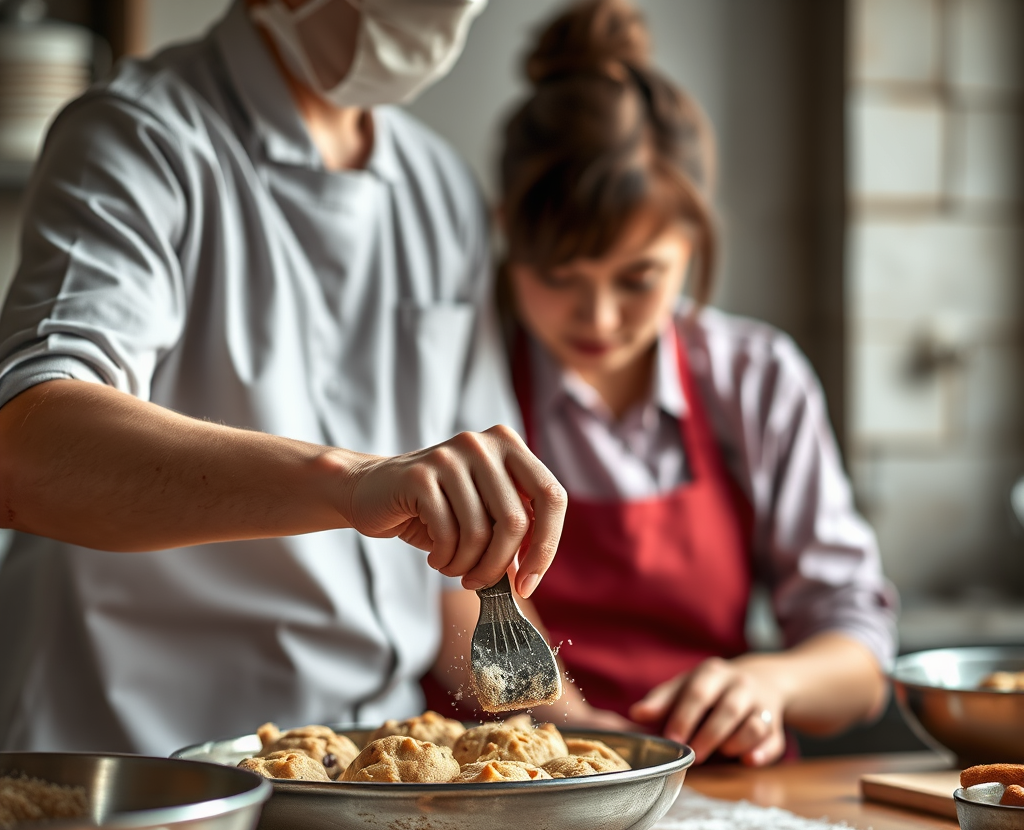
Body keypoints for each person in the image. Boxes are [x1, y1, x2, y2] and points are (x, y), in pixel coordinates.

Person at [0, 0, 568, 755]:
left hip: (368, 767)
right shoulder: (137, 138)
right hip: (135, 760)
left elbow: (458, 564)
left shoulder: (443, 194)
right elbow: (28, 447)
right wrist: (352, 482)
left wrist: (576, 730)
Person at [482, 0, 897, 765]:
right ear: (505, 231)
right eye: (556, 277)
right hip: (513, 786)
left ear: (693, 241)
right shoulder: (464, 373)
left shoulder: (755, 379)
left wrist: (770, 685)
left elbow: (860, 661)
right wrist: (582, 742)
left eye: (639, 278)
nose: (598, 316)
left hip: (724, 795)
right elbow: (434, 606)